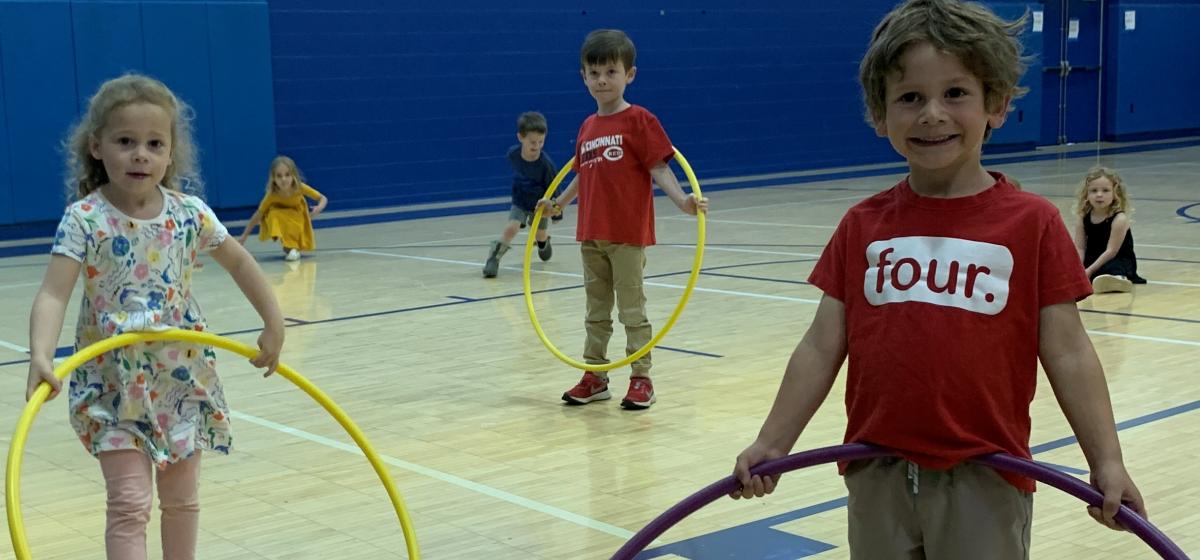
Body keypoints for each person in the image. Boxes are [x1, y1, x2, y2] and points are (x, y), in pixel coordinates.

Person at [728, 2, 1146, 558]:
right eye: (909, 98)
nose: (932, 114)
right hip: (876, 471)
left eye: (955, 93)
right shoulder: (863, 225)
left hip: (985, 478)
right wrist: (772, 440)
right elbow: (821, 344)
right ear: (880, 116)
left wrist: (1107, 461)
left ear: (995, 103)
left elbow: (1069, 353)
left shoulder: (1032, 224)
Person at [25, 74, 285, 559]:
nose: (140, 154)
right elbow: (53, 295)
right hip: (112, 382)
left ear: (170, 154)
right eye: (125, 142)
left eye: (153, 143)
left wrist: (274, 321)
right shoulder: (84, 218)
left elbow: (241, 262)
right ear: (97, 147)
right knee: (129, 503)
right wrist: (40, 354)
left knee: (182, 502)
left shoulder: (190, 215)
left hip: (181, 378)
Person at [540, 29, 708, 410]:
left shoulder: (640, 120)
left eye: (611, 72)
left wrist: (683, 201)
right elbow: (583, 174)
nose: (602, 80)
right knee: (596, 311)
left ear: (629, 75)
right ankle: (595, 375)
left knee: (632, 309)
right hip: (591, 234)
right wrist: (559, 204)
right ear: (583, 77)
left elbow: (659, 167)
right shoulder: (587, 126)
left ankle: (641, 377)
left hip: (627, 234)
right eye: (594, 73)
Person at [483, 111, 558, 278]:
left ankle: (544, 243)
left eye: (541, 141)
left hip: (540, 205)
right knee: (512, 227)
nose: (537, 146)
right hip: (520, 201)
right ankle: (493, 258)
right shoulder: (513, 154)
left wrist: (555, 210)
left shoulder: (546, 165)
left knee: (539, 234)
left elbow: (554, 188)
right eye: (532, 142)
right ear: (520, 137)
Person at [238, 155, 327, 261]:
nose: (283, 179)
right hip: (281, 218)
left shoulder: (300, 187)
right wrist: (244, 236)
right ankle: (291, 249)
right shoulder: (272, 194)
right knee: (273, 213)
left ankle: (292, 249)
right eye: (279, 176)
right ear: (273, 178)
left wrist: (319, 207)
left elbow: (322, 198)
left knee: (291, 238)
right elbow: (259, 213)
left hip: (298, 217)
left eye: (287, 175)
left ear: (294, 175)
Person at [1074, 166, 1146, 293]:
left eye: (1105, 190)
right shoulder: (1083, 217)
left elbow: (1111, 251)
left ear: (1115, 194)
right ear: (1086, 194)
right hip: (1094, 257)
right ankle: (1102, 280)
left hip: (1115, 258)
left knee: (1111, 267)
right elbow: (1080, 247)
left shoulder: (1119, 218)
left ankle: (1118, 279)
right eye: (1094, 191)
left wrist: (1090, 270)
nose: (1099, 195)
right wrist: (1079, 269)